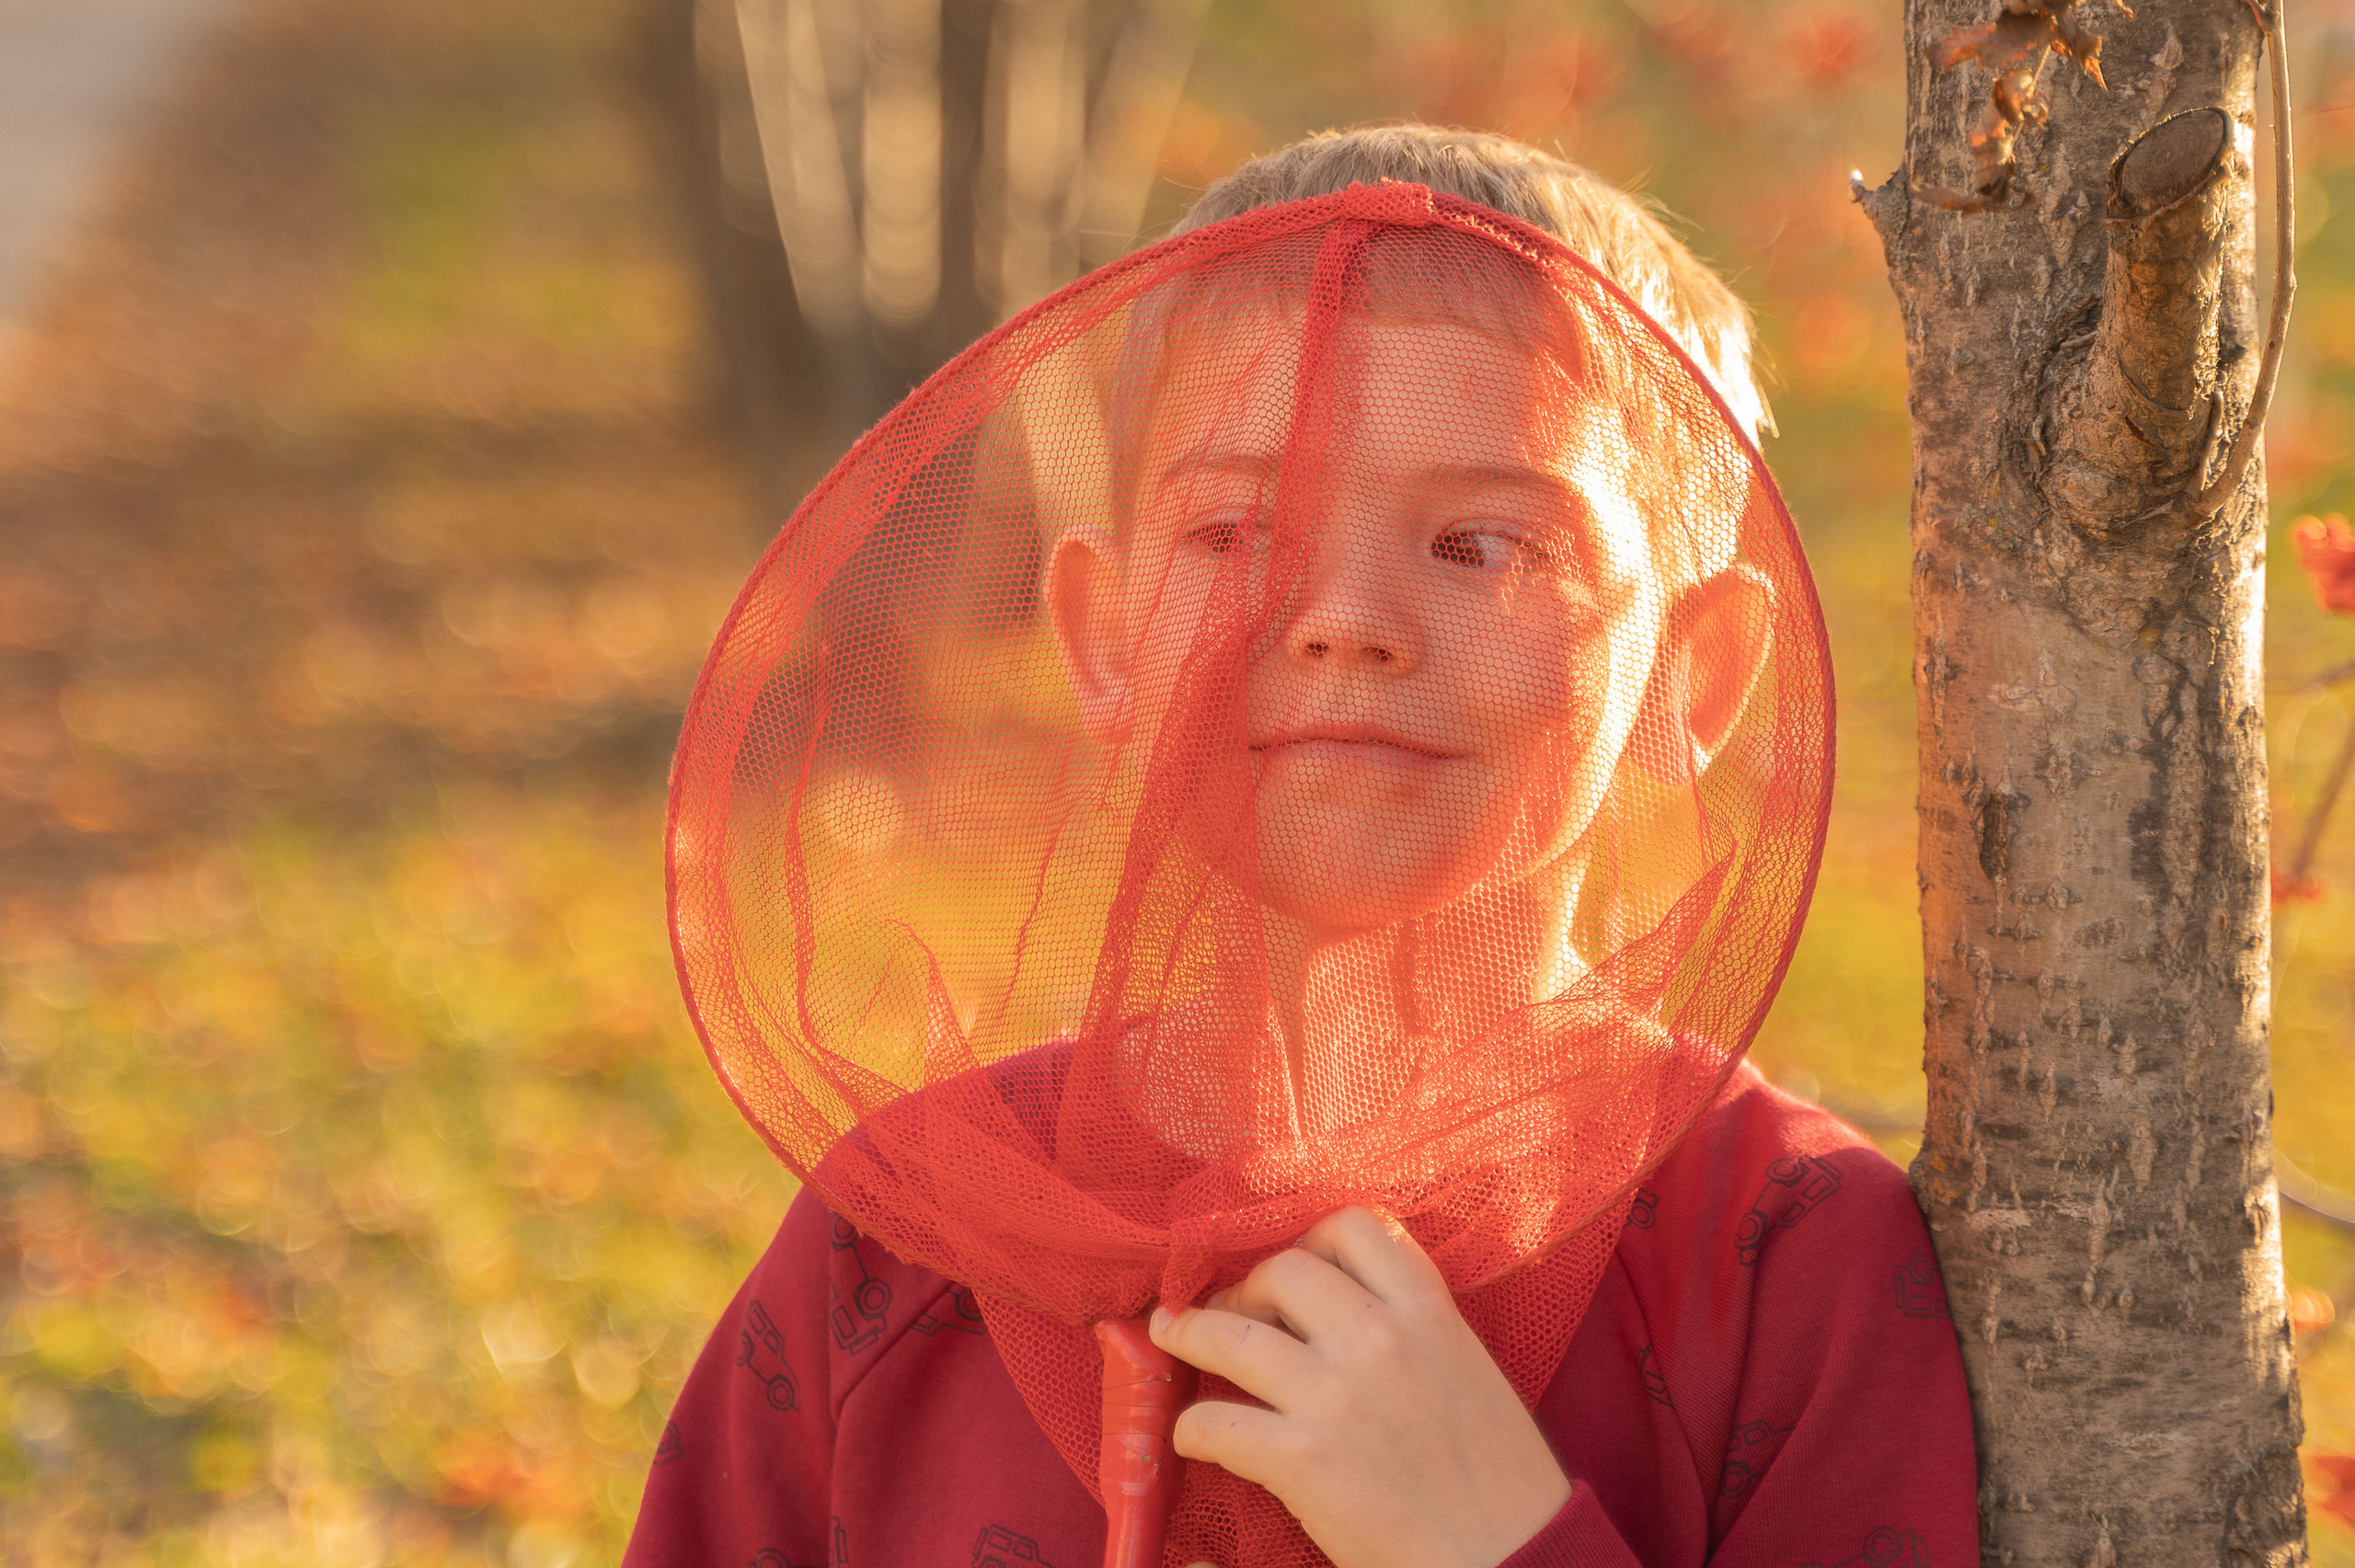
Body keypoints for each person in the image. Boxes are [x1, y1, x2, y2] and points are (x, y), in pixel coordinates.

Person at [626, 127, 1976, 1568]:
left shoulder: (1790, 1260)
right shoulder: (904, 1234)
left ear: (1692, 679)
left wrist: (1489, 1540)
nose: (1342, 618)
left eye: (1483, 546)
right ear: (1103, 637)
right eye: (1239, 530)